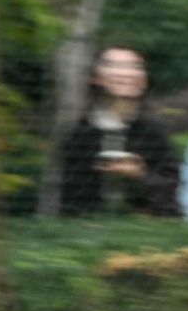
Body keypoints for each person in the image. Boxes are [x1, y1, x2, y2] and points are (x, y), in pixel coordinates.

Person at [57, 46, 179, 217]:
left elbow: (170, 195)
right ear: (95, 78)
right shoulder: (80, 132)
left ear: (144, 80)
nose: (125, 73)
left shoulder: (154, 130)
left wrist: (139, 175)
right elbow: (70, 199)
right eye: (114, 65)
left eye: (134, 66)